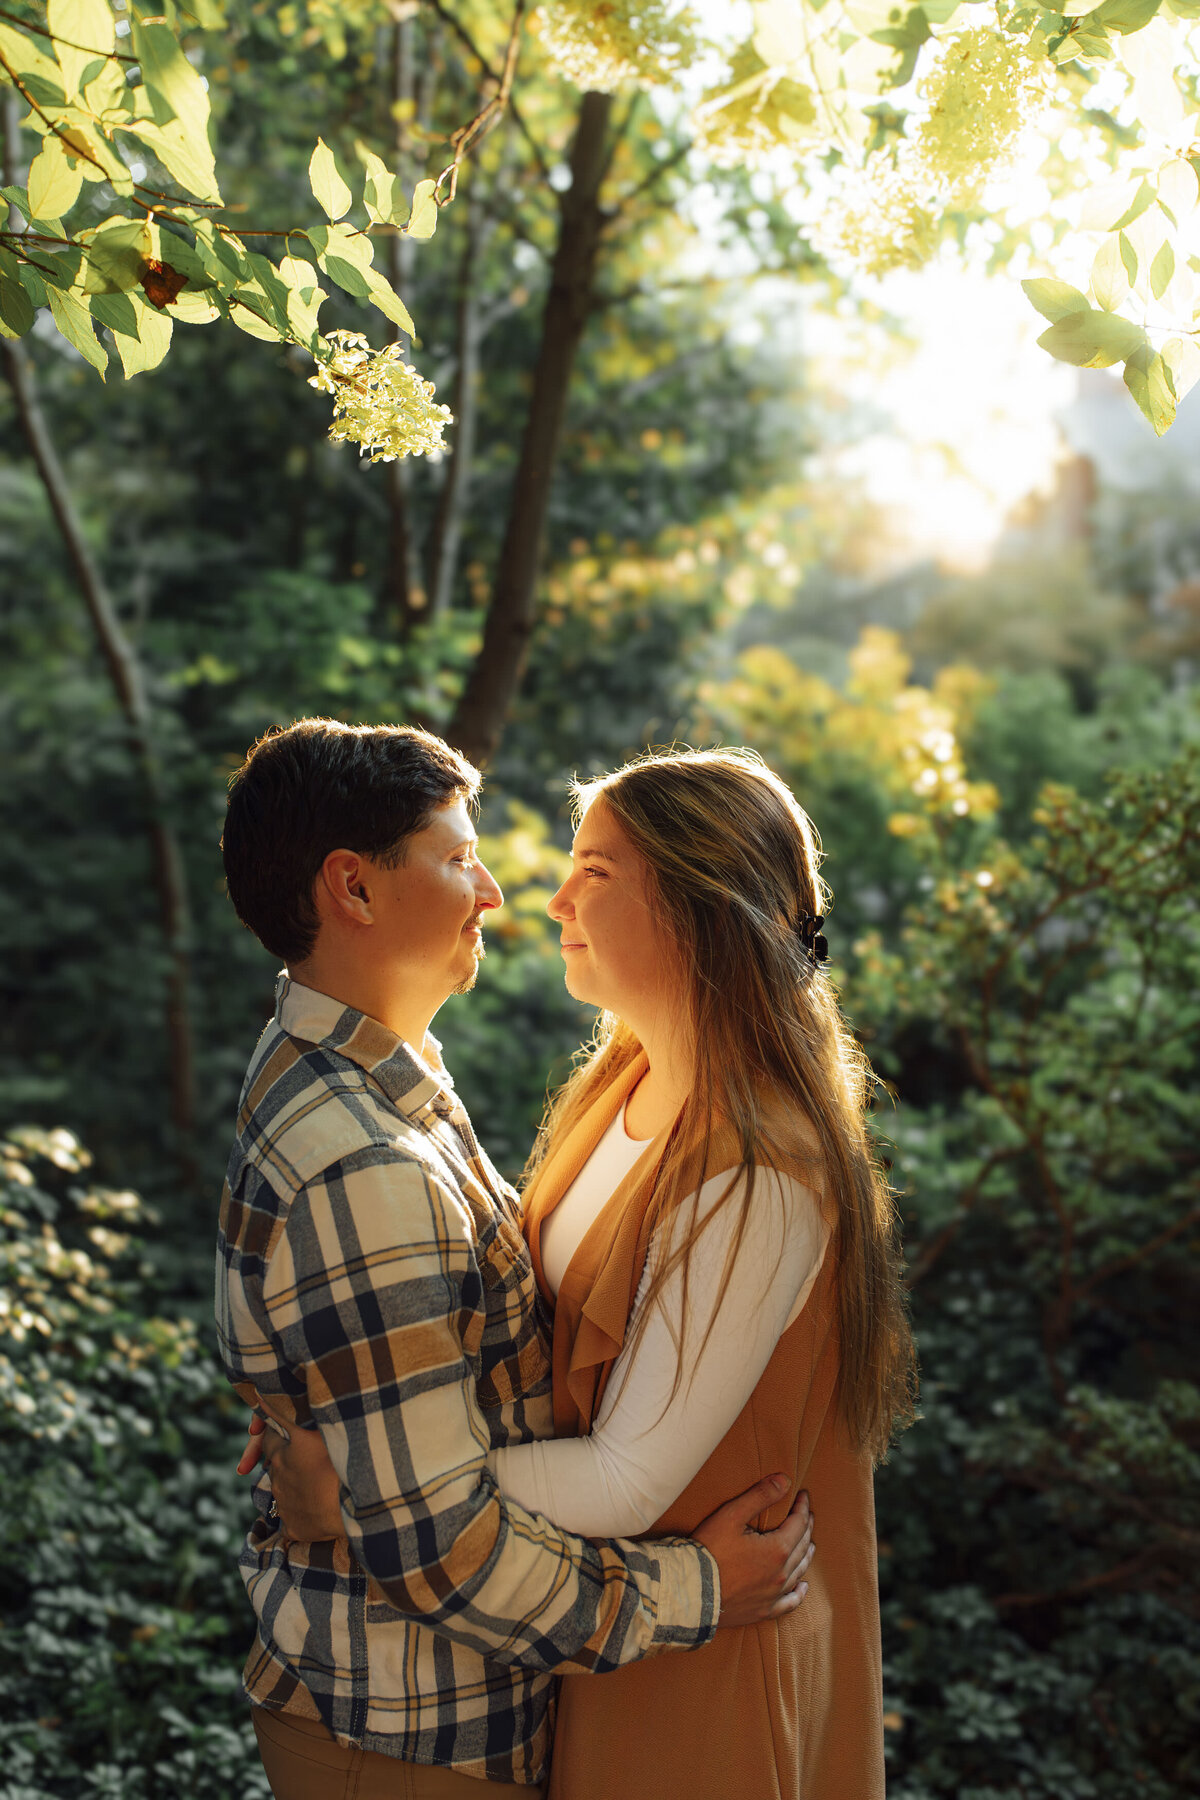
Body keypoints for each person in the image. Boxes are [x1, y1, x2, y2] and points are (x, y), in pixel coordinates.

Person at [255, 743, 917, 1800]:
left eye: (596, 874)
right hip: (603, 1620)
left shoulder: (760, 1169)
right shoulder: (623, 1081)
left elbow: (622, 1476)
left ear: (698, 909)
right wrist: (356, 1405)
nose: (552, 897)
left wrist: (365, 1485)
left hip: (711, 1650)